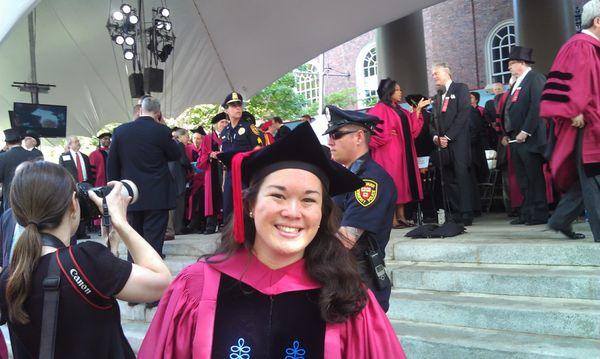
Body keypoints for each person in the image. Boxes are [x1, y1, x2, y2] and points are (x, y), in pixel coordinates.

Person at [138, 122, 406, 358]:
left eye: (309, 200)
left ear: (322, 213)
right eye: (278, 195)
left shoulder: (350, 296)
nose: (292, 212)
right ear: (250, 205)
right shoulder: (195, 288)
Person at [0, 161, 171, 358]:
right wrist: (122, 223)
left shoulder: (10, 276)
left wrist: (111, 249)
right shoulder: (86, 259)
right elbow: (163, 283)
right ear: (74, 203)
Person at [325, 105, 397, 312]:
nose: (330, 141)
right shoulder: (346, 177)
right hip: (343, 279)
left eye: (336, 134)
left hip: (359, 284)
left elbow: (346, 239)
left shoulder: (369, 181)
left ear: (358, 137)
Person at [540, 0, 600, 242]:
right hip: (584, 124)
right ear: (598, 21)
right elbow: (568, 85)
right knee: (594, 177)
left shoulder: (593, 47)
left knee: (588, 178)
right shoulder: (579, 46)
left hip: (593, 122)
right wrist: (572, 110)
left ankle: (560, 219)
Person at [107, 96, 180, 261]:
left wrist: (115, 191)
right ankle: (152, 275)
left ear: (140, 110)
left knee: (133, 238)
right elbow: (175, 154)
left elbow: (112, 163)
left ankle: (134, 274)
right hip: (157, 194)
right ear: (158, 113)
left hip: (131, 193)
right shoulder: (162, 131)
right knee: (153, 241)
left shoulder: (120, 131)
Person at [368, 78, 430, 228]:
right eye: (398, 90)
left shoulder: (399, 109)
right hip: (387, 153)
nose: (401, 92)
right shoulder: (379, 109)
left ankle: (401, 216)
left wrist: (418, 110)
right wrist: (389, 134)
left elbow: (412, 129)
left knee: (401, 183)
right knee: (392, 183)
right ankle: (392, 219)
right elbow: (371, 131)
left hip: (402, 151)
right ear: (389, 92)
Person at [499, 46, 548, 226]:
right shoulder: (516, 82)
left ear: (522, 63)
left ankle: (540, 213)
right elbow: (508, 110)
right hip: (515, 138)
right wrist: (505, 132)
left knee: (534, 177)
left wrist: (525, 131)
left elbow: (537, 107)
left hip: (530, 137)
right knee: (523, 179)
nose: (509, 67)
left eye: (511, 63)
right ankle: (527, 213)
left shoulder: (535, 78)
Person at [430, 63, 476, 226]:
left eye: (436, 73)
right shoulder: (437, 97)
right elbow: (432, 122)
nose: (434, 76)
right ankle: (455, 212)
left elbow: (463, 113)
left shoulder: (460, 88)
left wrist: (448, 136)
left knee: (461, 175)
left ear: (446, 72)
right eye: (432, 74)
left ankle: (466, 212)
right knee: (448, 178)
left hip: (458, 142)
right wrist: (436, 137)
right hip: (442, 145)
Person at [219, 92, 264, 222]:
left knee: (245, 207)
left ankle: (247, 239)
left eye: (239, 105)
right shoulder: (225, 131)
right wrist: (223, 180)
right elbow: (224, 158)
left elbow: (258, 149)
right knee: (228, 208)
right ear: (226, 110)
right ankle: (229, 239)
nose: (238, 108)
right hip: (229, 175)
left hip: (245, 173)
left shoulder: (249, 127)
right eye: (233, 106)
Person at [59, 136, 94, 240]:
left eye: (78, 141)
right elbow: (62, 172)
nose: (78, 143)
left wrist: (90, 184)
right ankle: (75, 232)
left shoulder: (85, 157)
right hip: (72, 186)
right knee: (74, 208)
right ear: (70, 144)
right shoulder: (64, 156)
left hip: (85, 185)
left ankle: (83, 232)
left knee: (84, 207)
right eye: (75, 141)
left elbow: (90, 172)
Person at [198, 113, 227, 234]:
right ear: (216, 125)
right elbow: (202, 155)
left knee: (226, 195)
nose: (225, 124)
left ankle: (225, 224)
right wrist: (210, 155)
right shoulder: (208, 138)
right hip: (213, 170)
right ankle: (211, 225)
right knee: (212, 197)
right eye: (222, 122)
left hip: (226, 169)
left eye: (226, 122)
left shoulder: (230, 135)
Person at [0, 129, 39, 211]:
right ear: (21, 141)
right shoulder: (33, 155)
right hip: (31, 199)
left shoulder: (3, 157)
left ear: (7, 143)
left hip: (10, 200)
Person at [165, 128, 192, 239]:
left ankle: (173, 228)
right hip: (178, 176)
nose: (188, 139)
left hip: (170, 175)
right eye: (187, 136)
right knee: (179, 203)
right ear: (180, 136)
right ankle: (177, 228)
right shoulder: (179, 145)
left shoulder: (169, 143)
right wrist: (191, 167)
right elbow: (183, 160)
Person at [182, 127, 206, 233]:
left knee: (199, 199)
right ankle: (189, 222)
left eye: (199, 138)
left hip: (203, 179)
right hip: (190, 178)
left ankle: (197, 223)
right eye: (195, 138)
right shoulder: (187, 148)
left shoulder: (205, 149)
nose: (197, 140)